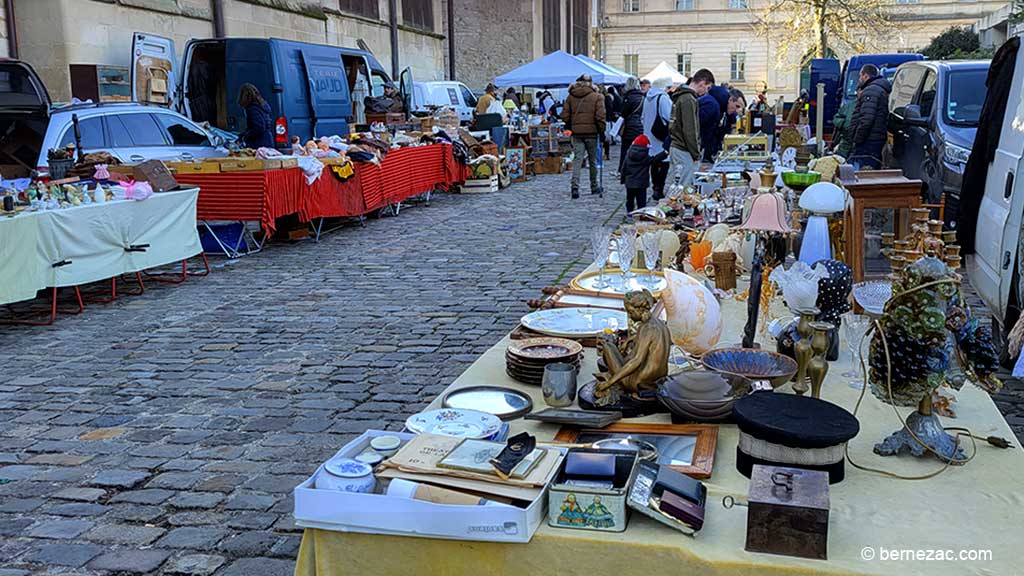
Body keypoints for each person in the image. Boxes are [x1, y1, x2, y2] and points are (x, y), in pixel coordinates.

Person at [562, 74, 607, 199]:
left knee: (577, 160)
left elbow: (564, 116)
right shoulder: (598, 96)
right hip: (592, 133)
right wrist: (602, 131)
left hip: (576, 133)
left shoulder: (571, 96)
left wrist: (571, 125)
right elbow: (600, 116)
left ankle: (575, 187)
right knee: (592, 161)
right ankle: (594, 186)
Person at [668, 68, 714, 187]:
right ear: (702, 83)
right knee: (683, 188)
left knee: (678, 185)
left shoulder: (682, 96)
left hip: (677, 147)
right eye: (707, 88)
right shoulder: (688, 99)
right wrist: (696, 154)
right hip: (683, 149)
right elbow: (690, 130)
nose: (706, 92)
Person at [849, 64, 891, 170]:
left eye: (860, 76)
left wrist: (857, 138)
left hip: (868, 140)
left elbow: (866, 119)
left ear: (865, 76)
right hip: (875, 138)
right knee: (872, 170)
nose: (859, 79)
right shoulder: (879, 89)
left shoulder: (870, 91)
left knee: (865, 171)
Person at [641, 82, 673, 200]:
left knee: (653, 161)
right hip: (661, 134)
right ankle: (659, 188)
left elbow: (643, 116)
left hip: (650, 132)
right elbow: (669, 115)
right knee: (664, 160)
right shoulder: (662, 98)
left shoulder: (647, 98)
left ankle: (655, 187)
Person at [618, 76, 646, 178]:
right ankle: (638, 169)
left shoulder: (628, 97)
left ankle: (623, 169)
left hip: (629, 125)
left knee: (625, 148)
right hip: (640, 125)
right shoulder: (642, 97)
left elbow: (623, 113)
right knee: (639, 148)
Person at [622, 134, 653, 213]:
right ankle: (641, 213)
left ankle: (629, 212)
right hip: (641, 183)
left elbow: (624, 167)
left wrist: (623, 179)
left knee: (630, 199)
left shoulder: (628, 154)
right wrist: (665, 153)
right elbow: (655, 160)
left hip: (630, 182)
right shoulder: (645, 156)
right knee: (641, 200)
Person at [237, 83, 273, 149]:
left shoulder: (252, 109)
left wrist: (246, 136)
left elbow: (259, 127)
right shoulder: (262, 106)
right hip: (267, 140)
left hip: (259, 143)